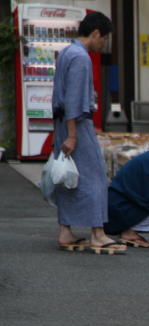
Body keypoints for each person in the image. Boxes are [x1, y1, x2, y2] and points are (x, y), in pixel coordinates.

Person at [52, 12, 127, 255]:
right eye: (103, 39)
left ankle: (66, 230)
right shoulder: (81, 57)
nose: (103, 44)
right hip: (75, 124)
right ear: (95, 33)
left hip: (62, 122)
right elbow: (74, 100)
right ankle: (98, 233)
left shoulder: (66, 52)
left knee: (68, 176)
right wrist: (73, 135)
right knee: (95, 175)